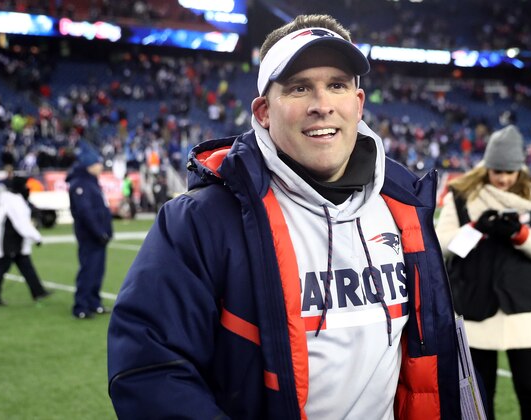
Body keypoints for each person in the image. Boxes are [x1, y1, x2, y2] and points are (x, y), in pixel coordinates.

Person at [108, 14, 462, 419]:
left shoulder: (405, 208)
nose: (322, 105)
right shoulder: (198, 221)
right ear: (262, 111)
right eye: (299, 88)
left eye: (337, 85)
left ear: (358, 103)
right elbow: (148, 370)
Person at [436, 125, 531, 420]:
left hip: (522, 311)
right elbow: (440, 246)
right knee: (480, 396)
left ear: (519, 169)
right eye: (496, 170)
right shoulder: (461, 195)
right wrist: (475, 230)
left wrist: (519, 234)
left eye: (509, 171)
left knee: (529, 390)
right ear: (486, 166)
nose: (502, 178)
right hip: (475, 309)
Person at [0, 176, 51, 306]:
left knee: (26, 266)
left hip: (15, 241)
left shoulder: (11, 199)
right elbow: (22, 224)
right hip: (10, 242)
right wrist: (36, 237)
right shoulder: (15, 202)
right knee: (2, 267)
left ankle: (38, 291)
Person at [66, 141, 113, 319]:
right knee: (88, 269)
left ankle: (94, 302)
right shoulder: (80, 184)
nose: (100, 166)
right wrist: (99, 231)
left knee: (97, 270)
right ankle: (81, 306)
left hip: (98, 235)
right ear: (89, 165)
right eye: (97, 163)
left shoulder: (90, 182)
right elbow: (86, 213)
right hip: (89, 236)